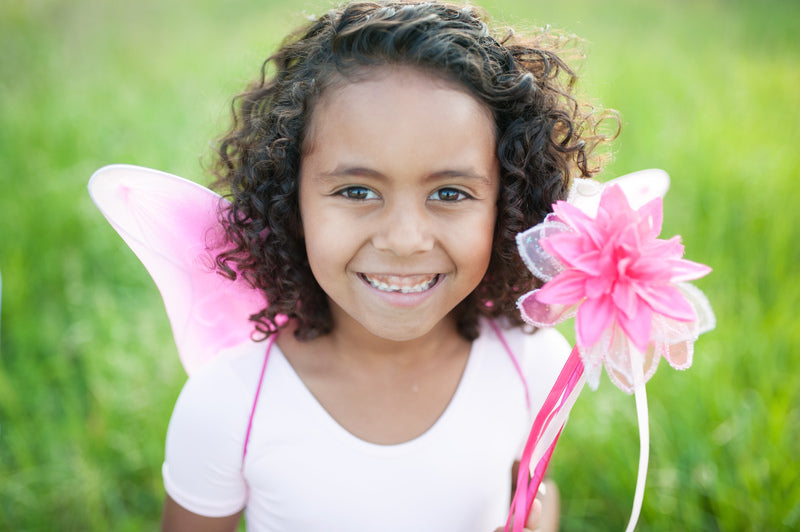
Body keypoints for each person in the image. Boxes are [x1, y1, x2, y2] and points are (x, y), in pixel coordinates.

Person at [158, 2, 615, 531]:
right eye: (357, 190)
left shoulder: (530, 366)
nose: (404, 240)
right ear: (290, 201)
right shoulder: (229, 405)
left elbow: (535, 492)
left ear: (508, 206)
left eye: (449, 192)